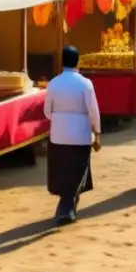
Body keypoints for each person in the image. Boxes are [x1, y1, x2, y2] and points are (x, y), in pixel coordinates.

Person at [44, 45, 101, 224]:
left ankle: (67, 205)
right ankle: (65, 208)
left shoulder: (53, 83)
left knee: (62, 170)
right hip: (80, 134)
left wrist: (61, 118)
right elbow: (93, 111)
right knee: (77, 170)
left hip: (59, 134)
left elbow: (47, 111)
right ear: (78, 62)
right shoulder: (85, 83)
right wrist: (97, 132)